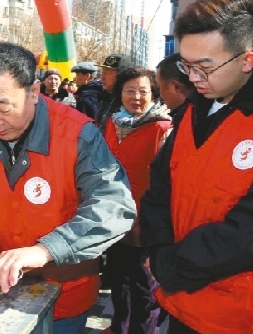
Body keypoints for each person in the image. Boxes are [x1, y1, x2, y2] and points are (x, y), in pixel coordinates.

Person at [0, 41, 137, 334]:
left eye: (4, 107)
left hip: (65, 294)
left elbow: (114, 206)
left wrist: (46, 250)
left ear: (33, 91)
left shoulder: (77, 133)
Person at [140, 0, 253, 333]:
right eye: (186, 65)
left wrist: (168, 264)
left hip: (240, 314)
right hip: (179, 298)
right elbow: (160, 186)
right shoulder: (194, 108)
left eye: (204, 68)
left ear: (247, 61)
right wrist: (158, 250)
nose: (192, 78)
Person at [100, 67, 171, 334]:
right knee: (119, 283)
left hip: (147, 224)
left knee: (145, 291)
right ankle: (120, 327)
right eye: (130, 90)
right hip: (115, 222)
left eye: (143, 91)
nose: (136, 97)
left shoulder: (163, 128)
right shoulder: (112, 124)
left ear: (154, 94)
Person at [95, 54, 133, 131]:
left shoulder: (128, 103)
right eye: (103, 72)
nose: (102, 77)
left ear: (121, 76)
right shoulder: (106, 96)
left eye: (107, 73)